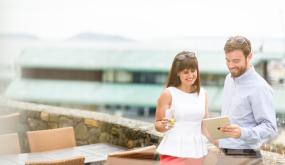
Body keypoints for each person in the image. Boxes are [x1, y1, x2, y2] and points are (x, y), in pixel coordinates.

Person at [216, 36, 278, 164]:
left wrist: (242, 133)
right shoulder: (228, 79)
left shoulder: (260, 87)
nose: (231, 65)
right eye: (227, 60)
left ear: (249, 56)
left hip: (247, 158)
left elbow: (270, 128)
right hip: (223, 155)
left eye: (236, 61)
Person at [155, 51, 214, 165]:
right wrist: (163, 126)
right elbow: (158, 124)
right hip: (173, 150)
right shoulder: (168, 93)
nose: (191, 75)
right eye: (186, 72)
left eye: (193, 71)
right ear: (178, 73)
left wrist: (219, 144)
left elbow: (204, 126)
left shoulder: (203, 94)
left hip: (196, 151)